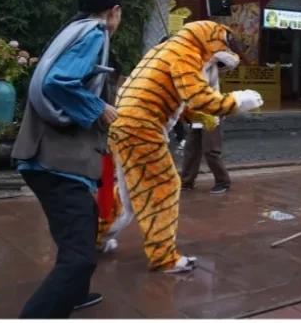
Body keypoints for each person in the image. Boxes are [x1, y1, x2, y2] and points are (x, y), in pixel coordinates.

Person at [95, 21, 264, 273]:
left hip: (124, 124)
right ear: (212, 44)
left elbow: (176, 97)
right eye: (218, 63)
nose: (217, 70)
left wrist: (194, 114)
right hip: (142, 126)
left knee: (128, 191)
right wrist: (240, 100)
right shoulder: (187, 53)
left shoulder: (165, 50)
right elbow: (198, 97)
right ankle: (164, 257)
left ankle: (96, 236)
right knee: (163, 186)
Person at [11, 0, 123, 317]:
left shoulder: (72, 30)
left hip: (49, 159)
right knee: (78, 258)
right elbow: (56, 82)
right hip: (55, 163)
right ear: (114, 11)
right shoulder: (94, 33)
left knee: (85, 225)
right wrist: (99, 108)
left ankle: (74, 293)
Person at [180, 53, 232, 194]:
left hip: (212, 108)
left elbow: (231, 62)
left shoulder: (210, 60)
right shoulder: (185, 64)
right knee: (191, 147)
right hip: (196, 110)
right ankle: (186, 182)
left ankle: (223, 181)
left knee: (211, 149)